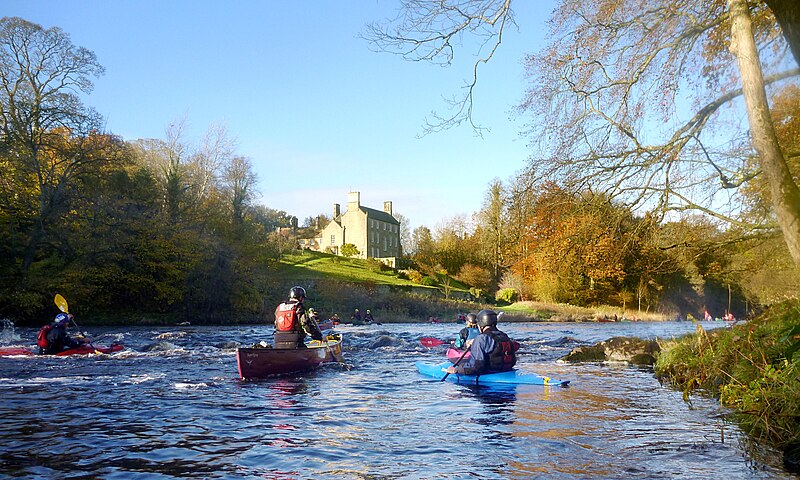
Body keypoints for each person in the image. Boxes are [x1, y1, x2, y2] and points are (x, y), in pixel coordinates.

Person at [446, 309, 518, 376]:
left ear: (480, 325)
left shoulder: (481, 339)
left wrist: (456, 370)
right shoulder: (504, 336)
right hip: (506, 371)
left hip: (489, 374)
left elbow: (476, 367)